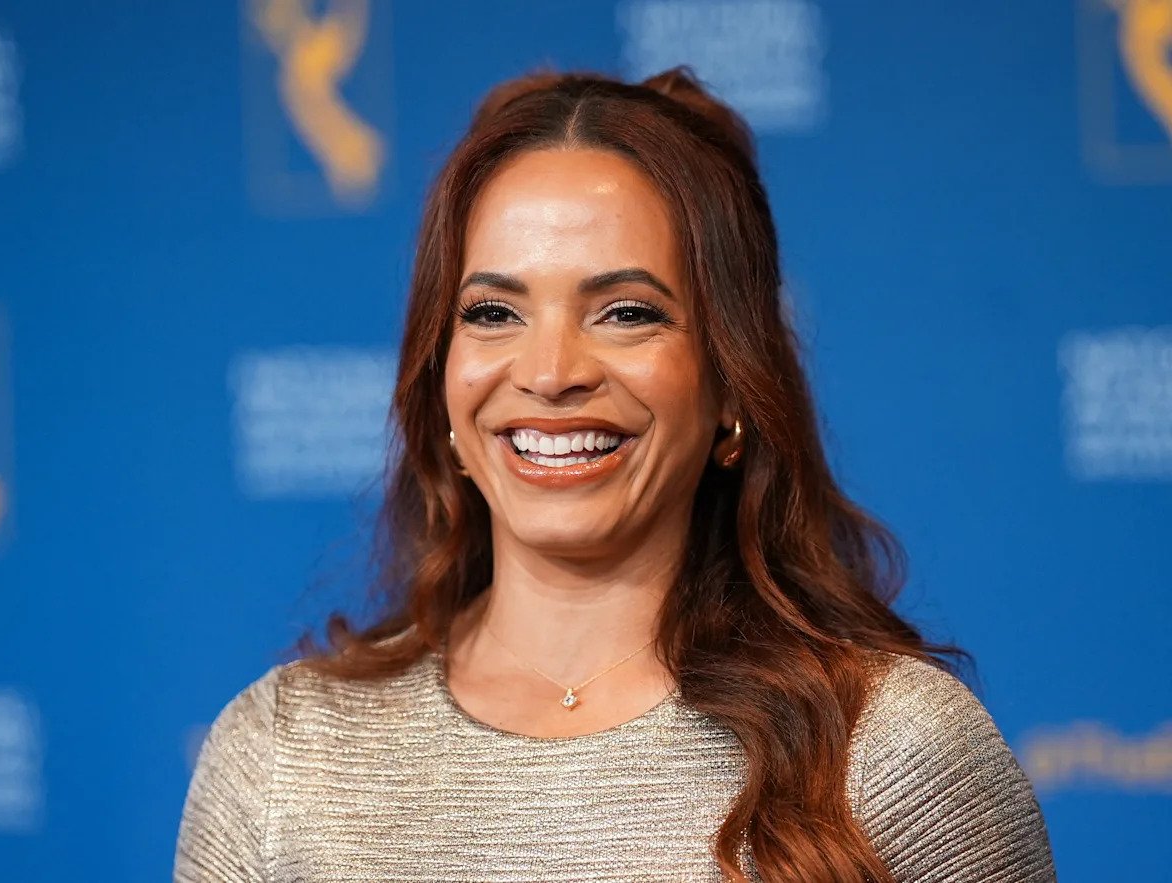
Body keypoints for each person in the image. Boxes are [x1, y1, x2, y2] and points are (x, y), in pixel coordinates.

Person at [173, 67, 1056, 883]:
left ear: (731, 384)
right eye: (494, 312)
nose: (551, 371)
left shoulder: (897, 754)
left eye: (627, 312)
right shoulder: (282, 758)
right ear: (440, 375)